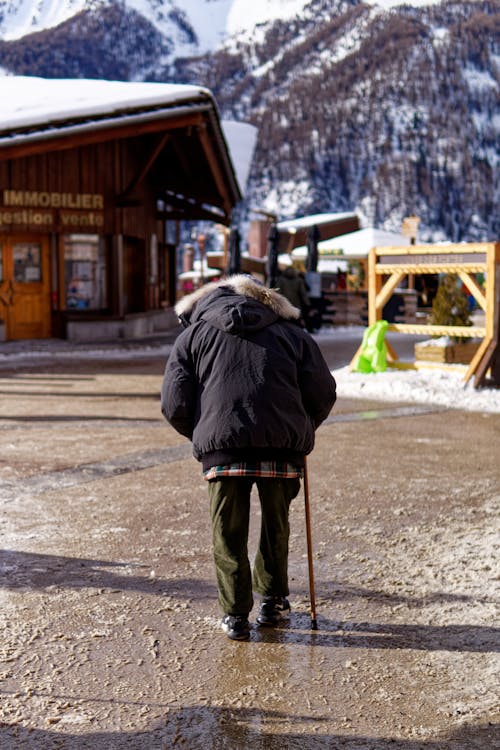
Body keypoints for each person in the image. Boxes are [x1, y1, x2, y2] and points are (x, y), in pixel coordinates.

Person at [161, 274, 336, 641]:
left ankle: (235, 614)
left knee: (227, 531)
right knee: (276, 525)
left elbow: (174, 403)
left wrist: (205, 435)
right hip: (282, 448)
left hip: (223, 449)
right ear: (267, 300)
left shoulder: (192, 337)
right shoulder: (293, 335)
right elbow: (322, 392)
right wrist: (299, 430)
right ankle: (272, 601)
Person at [275, 261, 310, 327]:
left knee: (285, 322)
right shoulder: (299, 280)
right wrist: (307, 303)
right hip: (295, 304)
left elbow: (277, 292)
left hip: (284, 304)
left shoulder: (281, 280)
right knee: (296, 322)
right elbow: (303, 294)